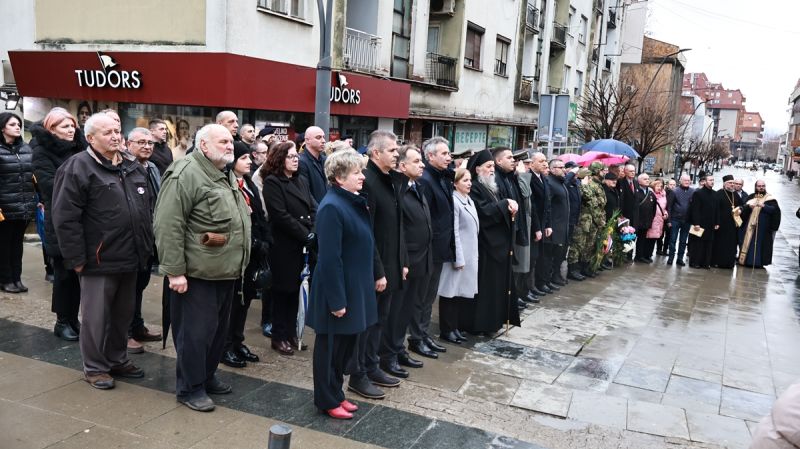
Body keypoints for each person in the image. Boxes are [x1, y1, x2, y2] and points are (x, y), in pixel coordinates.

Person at [153, 123, 251, 412]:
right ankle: (190, 387)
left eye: (230, 141)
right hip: (197, 274)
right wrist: (175, 271)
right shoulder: (185, 173)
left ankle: (206, 376)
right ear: (204, 145)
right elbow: (168, 224)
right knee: (194, 335)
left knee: (216, 333)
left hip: (225, 271)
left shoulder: (223, 172)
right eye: (223, 141)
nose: (230, 145)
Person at [52, 113, 154, 390]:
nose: (115, 136)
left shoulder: (132, 166)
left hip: (131, 256)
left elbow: (146, 209)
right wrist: (76, 259)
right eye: (107, 132)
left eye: (117, 131)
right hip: (97, 259)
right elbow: (65, 217)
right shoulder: (77, 167)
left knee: (122, 315)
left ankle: (117, 359)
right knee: (96, 319)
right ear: (90, 138)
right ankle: (95, 368)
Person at [308, 149, 375, 420]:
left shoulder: (351, 201)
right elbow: (329, 258)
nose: (362, 176)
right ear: (339, 177)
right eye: (356, 172)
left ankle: (336, 393)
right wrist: (337, 301)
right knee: (329, 349)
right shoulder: (332, 207)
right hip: (336, 290)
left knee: (343, 348)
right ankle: (326, 400)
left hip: (353, 287)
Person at [348, 130, 406, 400]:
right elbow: (367, 232)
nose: (397, 154)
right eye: (392, 150)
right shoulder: (368, 182)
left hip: (390, 264)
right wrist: (378, 271)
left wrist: (402, 261)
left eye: (397, 150)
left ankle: (372, 366)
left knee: (379, 320)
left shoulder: (390, 180)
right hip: (375, 268)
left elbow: (397, 225)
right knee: (366, 324)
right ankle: (357, 374)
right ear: (375, 153)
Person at [31, 108, 86, 340]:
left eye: (73, 125)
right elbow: (51, 186)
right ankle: (62, 321)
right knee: (63, 274)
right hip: (60, 218)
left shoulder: (80, 148)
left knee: (78, 274)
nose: (71, 130)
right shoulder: (41, 152)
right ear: (51, 129)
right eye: (65, 126)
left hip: (82, 218)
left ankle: (73, 319)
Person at [261, 141, 316, 356]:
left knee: (296, 291)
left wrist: (313, 231)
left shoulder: (301, 180)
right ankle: (279, 336)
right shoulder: (273, 182)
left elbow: (313, 207)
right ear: (280, 159)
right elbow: (280, 215)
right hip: (284, 246)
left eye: (296, 156)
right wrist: (305, 233)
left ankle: (292, 332)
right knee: (282, 292)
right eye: (291, 156)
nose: (296, 160)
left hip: (302, 245)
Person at [219, 144, 271, 367]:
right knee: (233, 302)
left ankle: (237, 341)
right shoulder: (226, 184)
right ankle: (225, 346)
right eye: (244, 158)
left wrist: (264, 240)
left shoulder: (248, 183)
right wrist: (253, 241)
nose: (249, 161)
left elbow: (258, 214)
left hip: (253, 254)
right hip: (237, 253)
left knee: (245, 300)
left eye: (249, 157)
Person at [380, 145, 428, 372]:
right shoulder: (398, 190)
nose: (422, 165)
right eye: (416, 161)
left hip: (419, 260)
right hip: (403, 262)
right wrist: (404, 260)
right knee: (395, 313)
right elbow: (397, 230)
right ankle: (387, 355)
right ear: (402, 166)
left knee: (406, 310)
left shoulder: (416, 187)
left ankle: (398, 349)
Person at [466, 149, 520, 334]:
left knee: (497, 288)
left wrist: (509, 208)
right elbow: (484, 212)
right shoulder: (474, 187)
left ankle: (494, 322)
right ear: (477, 169)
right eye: (488, 166)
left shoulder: (491, 187)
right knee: (486, 289)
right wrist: (504, 204)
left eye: (492, 167)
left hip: (498, 245)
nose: (491, 170)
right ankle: (482, 325)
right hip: (486, 246)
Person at [125, 128, 163, 354]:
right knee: (128, 288)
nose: (147, 146)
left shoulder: (153, 167)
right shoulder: (124, 167)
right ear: (128, 144)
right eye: (141, 142)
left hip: (149, 234)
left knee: (141, 284)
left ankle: (137, 326)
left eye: (150, 143)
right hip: (131, 237)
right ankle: (125, 332)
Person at [415, 136, 453, 357]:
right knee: (421, 297)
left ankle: (424, 334)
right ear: (430, 156)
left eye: (449, 153)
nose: (449, 157)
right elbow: (424, 219)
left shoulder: (441, 177)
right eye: (444, 154)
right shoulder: (426, 180)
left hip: (439, 249)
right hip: (428, 250)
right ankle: (416, 337)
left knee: (429, 297)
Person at [438, 168, 479, 341]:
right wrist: (458, 258)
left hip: (469, 254)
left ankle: (454, 328)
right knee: (450, 292)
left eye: (470, 180)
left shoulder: (469, 200)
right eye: (465, 180)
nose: (469, 183)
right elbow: (454, 230)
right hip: (457, 255)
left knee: (459, 293)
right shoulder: (454, 201)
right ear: (455, 184)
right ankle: (447, 330)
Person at [0, 112, 37, 294]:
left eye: (19, 124)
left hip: (23, 205)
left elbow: (33, 176)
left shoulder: (26, 149)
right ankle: (5, 279)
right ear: (2, 128)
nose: (17, 127)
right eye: (13, 124)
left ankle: (17, 278)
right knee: (4, 245)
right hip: (4, 207)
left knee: (17, 244)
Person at [493, 148, 530, 312]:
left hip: (514, 229)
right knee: (503, 271)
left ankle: (510, 300)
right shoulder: (497, 178)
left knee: (512, 269)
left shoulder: (510, 177)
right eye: (509, 158)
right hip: (503, 232)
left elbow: (522, 200)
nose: (513, 160)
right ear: (498, 161)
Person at [568, 163, 606, 278]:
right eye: (603, 170)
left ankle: (584, 267)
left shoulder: (598, 184)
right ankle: (573, 270)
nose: (605, 172)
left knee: (589, 245)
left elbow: (601, 203)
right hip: (583, 220)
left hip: (593, 220)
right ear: (596, 171)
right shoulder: (587, 184)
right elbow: (592, 201)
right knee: (577, 245)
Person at [738, 180, 780, 268]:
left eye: (763, 186)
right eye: (759, 186)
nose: (761, 187)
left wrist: (764, 206)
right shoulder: (751, 197)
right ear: (756, 187)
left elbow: (774, 210)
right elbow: (744, 208)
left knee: (760, 246)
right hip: (749, 226)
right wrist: (749, 207)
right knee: (748, 244)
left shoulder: (770, 199)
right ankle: (746, 261)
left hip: (763, 228)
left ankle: (758, 263)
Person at [542, 159, 570, 287]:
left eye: (564, 167)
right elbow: (547, 205)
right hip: (553, 226)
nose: (564, 169)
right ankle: (546, 280)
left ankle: (555, 276)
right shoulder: (550, 182)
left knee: (559, 254)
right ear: (552, 169)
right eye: (561, 167)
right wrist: (549, 225)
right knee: (549, 256)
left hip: (562, 226)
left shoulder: (560, 182)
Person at [528, 152, 550, 297]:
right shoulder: (529, 178)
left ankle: (534, 285)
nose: (544, 164)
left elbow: (547, 204)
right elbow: (533, 206)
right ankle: (527, 288)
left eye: (545, 161)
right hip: (533, 226)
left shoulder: (542, 178)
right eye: (541, 161)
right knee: (531, 258)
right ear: (532, 163)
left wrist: (548, 225)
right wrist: (537, 228)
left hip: (542, 224)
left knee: (538, 257)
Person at [687, 174, 719, 269]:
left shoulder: (715, 194)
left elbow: (717, 210)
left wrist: (717, 222)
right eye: (710, 180)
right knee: (698, 244)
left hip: (710, 224)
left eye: (713, 180)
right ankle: (695, 262)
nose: (712, 182)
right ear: (705, 182)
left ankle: (706, 263)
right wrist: (696, 223)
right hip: (700, 223)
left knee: (708, 244)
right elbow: (695, 209)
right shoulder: (698, 193)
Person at [711, 174, 743, 269]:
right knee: (719, 244)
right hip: (721, 224)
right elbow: (715, 210)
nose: (732, 184)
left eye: (733, 183)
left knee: (731, 245)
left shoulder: (735, 194)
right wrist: (716, 222)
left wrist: (740, 209)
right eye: (730, 183)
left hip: (732, 225)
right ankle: (717, 262)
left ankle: (729, 263)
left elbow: (742, 205)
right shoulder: (718, 194)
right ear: (724, 184)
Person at [668, 174, 694, 266]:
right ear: (680, 181)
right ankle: (671, 258)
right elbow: (669, 207)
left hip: (687, 220)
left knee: (683, 241)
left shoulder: (693, 191)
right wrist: (669, 220)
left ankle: (680, 259)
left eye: (688, 180)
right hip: (675, 219)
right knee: (673, 240)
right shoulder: (674, 191)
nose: (687, 182)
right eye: (685, 180)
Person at [564, 162, 583, 280]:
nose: (576, 172)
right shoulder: (565, 181)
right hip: (566, 220)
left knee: (572, 246)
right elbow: (564, 183)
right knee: (562, 247)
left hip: (575, 219)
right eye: (573, 170)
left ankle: (572, 270)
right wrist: (571, 173)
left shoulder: (576, 183)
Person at [299, 126, 328, 203]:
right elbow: (306, 192)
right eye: (318, 137)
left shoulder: (325, 160)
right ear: (307, 140)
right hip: (315, 208)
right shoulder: (301, 162)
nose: (323, 141)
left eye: (323, 137)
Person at [633, 173, 656, 263]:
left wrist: (651, 218)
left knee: (642, 240)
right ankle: (627, 256)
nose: (647, 180)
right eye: (645, 179)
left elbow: (654, 208)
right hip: (636, 221)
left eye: (648, 179)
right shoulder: (635, 191)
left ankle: (639, 256)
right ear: (639, 181)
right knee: (631, 239)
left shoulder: (650, 192)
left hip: (646, 221)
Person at [644, 179, 668, 261]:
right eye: (657, 186)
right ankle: (645, 255)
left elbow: (664, 208)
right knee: (648, 238)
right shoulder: (650, 194)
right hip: (651, 219)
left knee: (654, 238)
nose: (659, 188)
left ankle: (649, 255)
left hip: (660, 220)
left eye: (661, 186)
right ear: (653, 186)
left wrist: (665, 214)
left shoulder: (663, 195)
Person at [656, 179, 675, 256]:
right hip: (662, 216)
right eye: (671, 184)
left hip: (670, 217)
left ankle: (665, 250)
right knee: (660, 235)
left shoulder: (674, 193)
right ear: (667, 185)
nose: (672, 186)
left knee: (668, 235)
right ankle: (659, 249)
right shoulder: (663, 193)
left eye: (674, 185)